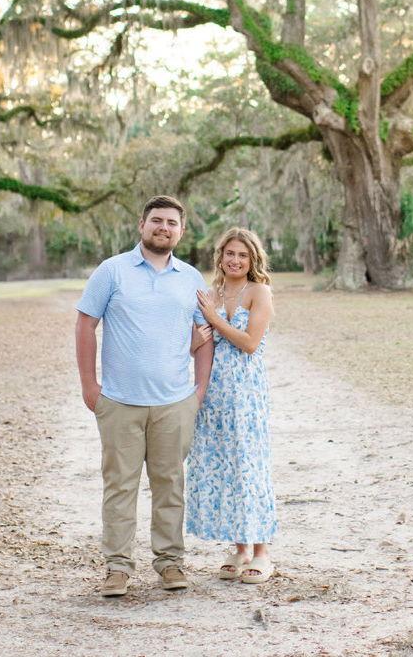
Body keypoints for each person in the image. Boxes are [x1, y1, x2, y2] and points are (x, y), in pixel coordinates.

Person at [74, 195, 213, 598]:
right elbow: (85, 326)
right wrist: (90, 386)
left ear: (181, 232)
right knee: (120, 486)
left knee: (170, 484)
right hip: (119, 402)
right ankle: (117, 568)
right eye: (157, 220)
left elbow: (205, 336)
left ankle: (170, 563)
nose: (163, 228)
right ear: (142, 225)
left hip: (175, 403)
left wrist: (199, 391)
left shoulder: (191, 278)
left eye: (172, 223)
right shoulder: (112, 271)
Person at [185, 227, 277, 584]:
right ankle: (239, 548)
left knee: (249, 465)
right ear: (220, 257)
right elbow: (197, 345)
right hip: (213, 392)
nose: (235, 260)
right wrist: (196, 339)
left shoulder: (259, 292)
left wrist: (214, 319)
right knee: (225, 466)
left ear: (252, 260)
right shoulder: (211, 295)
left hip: (245, 393)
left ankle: (262, 552)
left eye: (242, 255)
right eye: (230, 254)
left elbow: (250, 343)